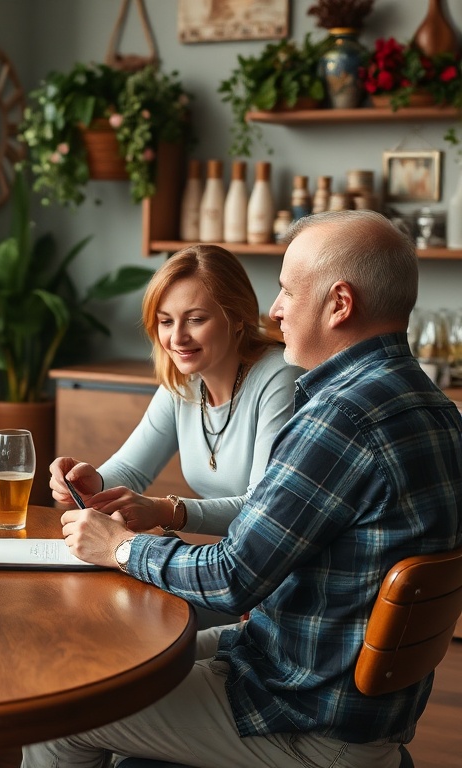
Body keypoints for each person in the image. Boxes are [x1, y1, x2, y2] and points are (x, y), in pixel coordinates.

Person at [26, 210, 462, 767]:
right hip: (318, 682)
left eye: (285, 290)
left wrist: (119, 547)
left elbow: (233, 578)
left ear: (340, 304)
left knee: (60, 710)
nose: (275, 309)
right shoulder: (435, 407)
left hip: (304, 714)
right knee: (106, 667)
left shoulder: (340, 418)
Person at [50, 243, 300, 537]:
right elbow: (131, 470)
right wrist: (90, 482)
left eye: (195, 319)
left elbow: (263, 509)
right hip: (228, 554)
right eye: (166, 321)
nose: (177, 338)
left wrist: (165, 510)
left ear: (238, 318)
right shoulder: (184, 383)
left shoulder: (280, 376)